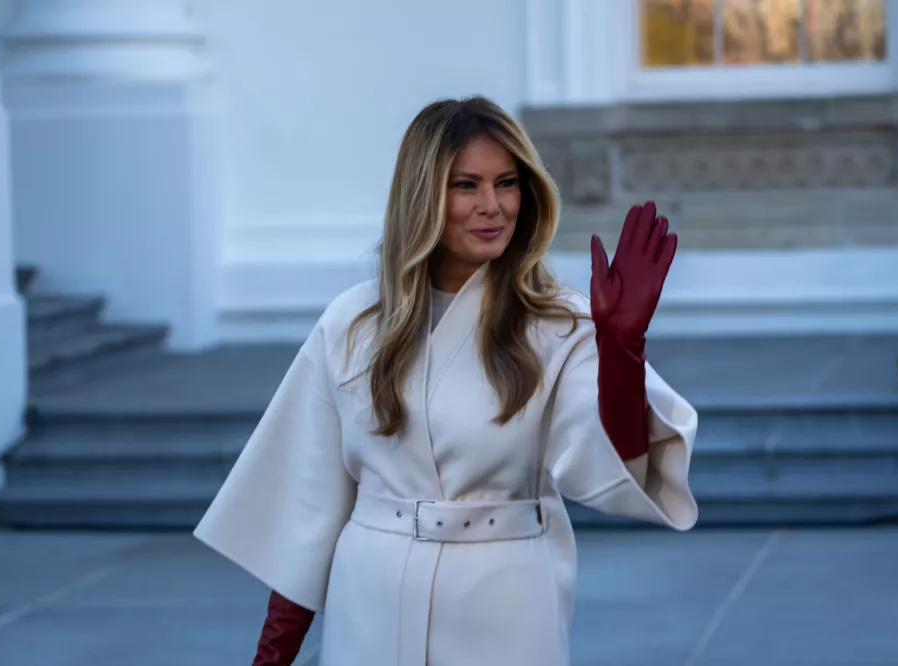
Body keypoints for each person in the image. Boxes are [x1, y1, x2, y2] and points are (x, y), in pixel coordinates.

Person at [194, 96, 698, 666]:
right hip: (370, 608)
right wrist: (271, 657)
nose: (492, 206)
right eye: (466, 185)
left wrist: (623, 348)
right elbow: (307, 512)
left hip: (504, 604)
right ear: (422, 195)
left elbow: (618, 461)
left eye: (506, 183)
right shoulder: (352, 323)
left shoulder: (556, 323)